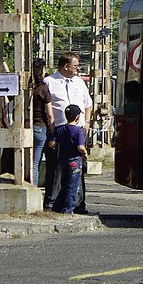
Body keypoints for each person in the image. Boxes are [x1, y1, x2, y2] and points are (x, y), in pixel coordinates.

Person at [43, 52, 93, 213]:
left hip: (78, 130)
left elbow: (88, 103)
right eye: (75, 66)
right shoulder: (50, 82)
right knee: (57, 167)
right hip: (60, 129)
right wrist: (51, 127)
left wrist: (86, 122)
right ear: (66, 66)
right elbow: (46, 105)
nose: (78, 69)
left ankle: (78, 203)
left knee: (77, 167)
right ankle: (53, 202)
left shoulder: (79, 82)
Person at [51, 104, 88, 214]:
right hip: (74, 161)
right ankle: (68, 209)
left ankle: (57, 207)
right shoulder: (78, 131)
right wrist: (85, 153)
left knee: (64, 185)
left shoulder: (60, 130)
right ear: (77, 117)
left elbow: (52, 143)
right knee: (73, 186)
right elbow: (80, 147)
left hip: (62, 160)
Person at [31, 58, 54, 189]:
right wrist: (52, 129)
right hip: (41, 127)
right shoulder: (43, 89)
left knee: (26, 161)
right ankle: (34, 189)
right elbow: (49, 113)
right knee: (35, 162)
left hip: (27, 126)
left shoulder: (27, 88)